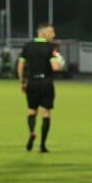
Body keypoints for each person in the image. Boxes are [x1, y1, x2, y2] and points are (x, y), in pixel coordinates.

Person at [18, 22, 64, 153]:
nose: (53, 35)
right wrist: (60, 64)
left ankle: (32, 131)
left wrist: (22, 82)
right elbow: (55, 67)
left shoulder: (28, 46)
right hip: (46, 82)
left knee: (31, 111)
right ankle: (42, 145)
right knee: (46, 112)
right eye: (51, 32)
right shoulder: (51, 48)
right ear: (43, 33)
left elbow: (20, 65)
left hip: (32, 82)